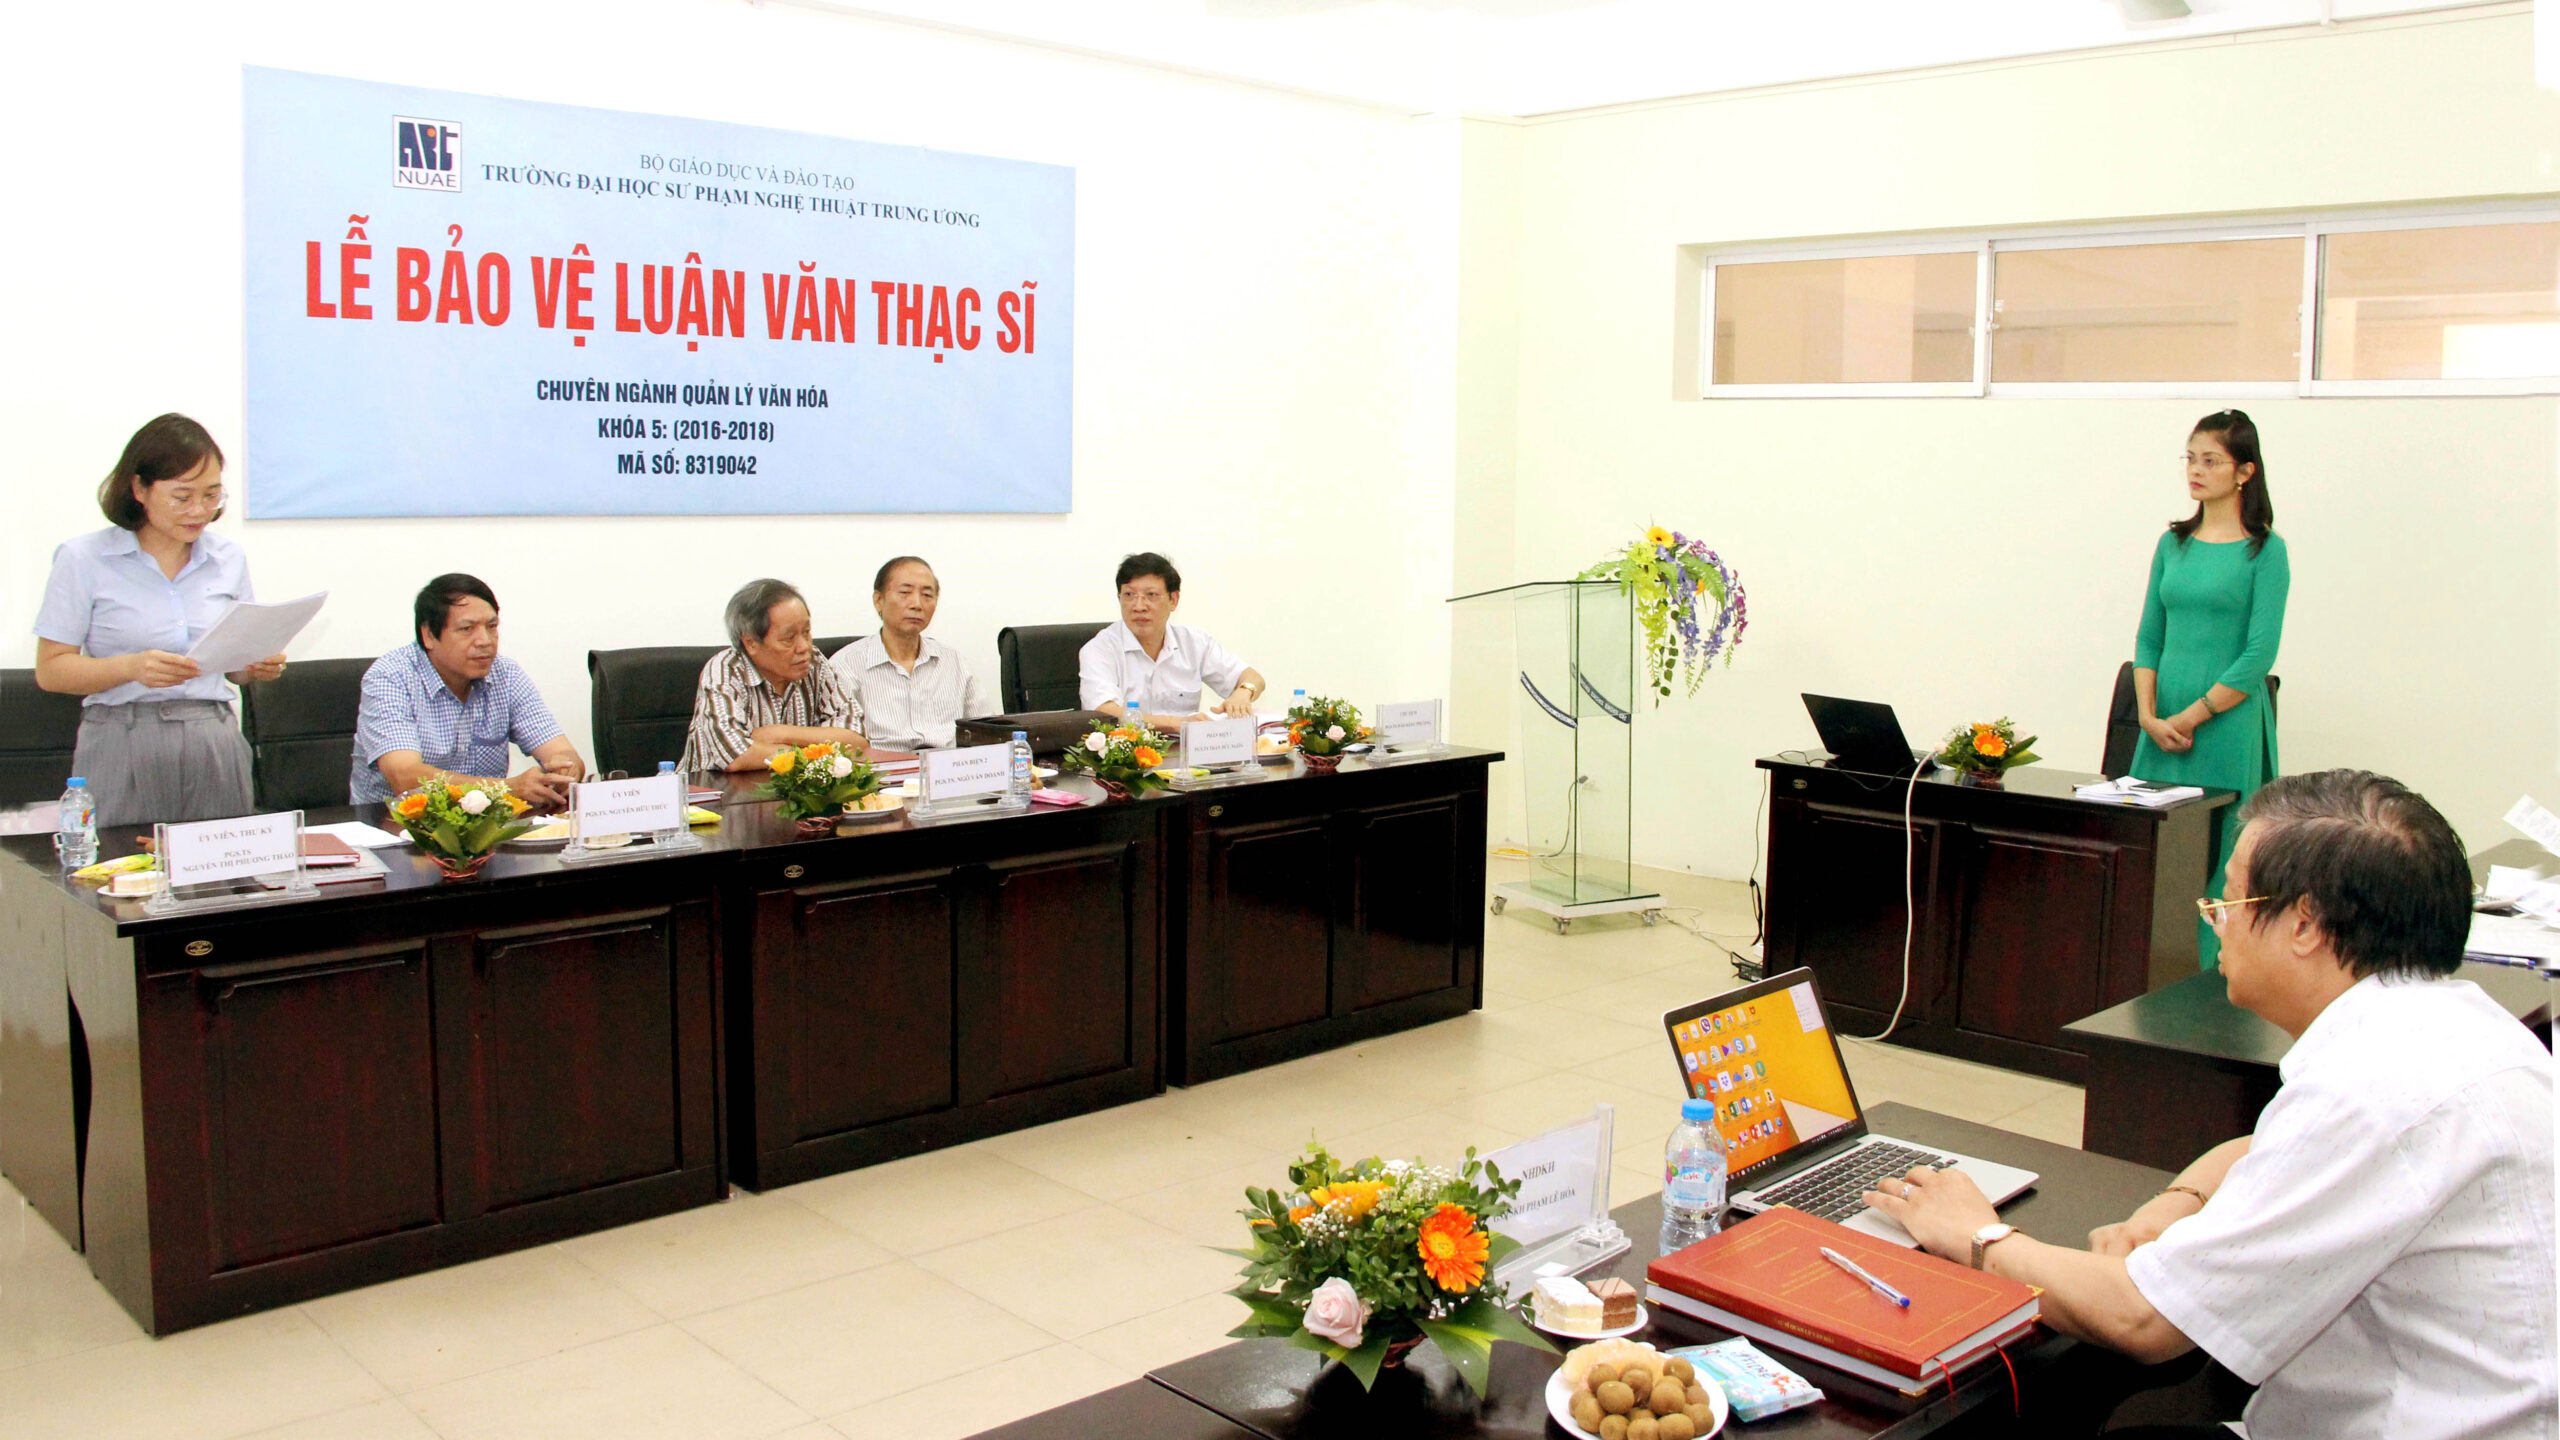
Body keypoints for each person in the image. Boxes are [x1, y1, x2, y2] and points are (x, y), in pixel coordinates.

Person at [1862, 770, 2555, 1440]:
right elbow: (2266, 1149)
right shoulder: (2458, 1029)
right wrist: (2179, 1201)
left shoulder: (2367, 1092)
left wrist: (1979, 1236)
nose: (2217, 923)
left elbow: (2143, 1321)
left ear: (2305, 926)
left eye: (2230, 902)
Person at [33, 415, 286, 827]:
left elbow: (234, 668)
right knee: (122, 863)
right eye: (181, 497)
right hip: (122, 738)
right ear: (139, 489)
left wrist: (254, 665)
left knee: (222, 863)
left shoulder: (228, 558)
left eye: (212, 495)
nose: (199, 511)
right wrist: (131, 668)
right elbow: (51, 670)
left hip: (212, 738)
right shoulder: (84, 559)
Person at [2129, 409, 2290, 967]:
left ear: (2245, 472)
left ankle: (2211, 976)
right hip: (2160, 723)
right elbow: (2148, 639)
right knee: (2155, 852)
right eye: (2191, 458)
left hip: (2226, 724)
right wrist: (2147, 716)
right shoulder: (2172, 544)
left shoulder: (2265, 551)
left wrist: (2192, 716)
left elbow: (2257, 657)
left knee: (2224, 855)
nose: (2196, 470)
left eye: (2211, 461)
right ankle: (2145, 973)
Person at [350, 574, 584, 808]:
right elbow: (405, 777)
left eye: (492, 627)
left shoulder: (506, 674)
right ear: (428, 635)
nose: (485, 640)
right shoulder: (390, 677)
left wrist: (565, 770)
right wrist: (507, 788)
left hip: (487, 823)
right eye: (466, 629)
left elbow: (561, 750)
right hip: (394, 822)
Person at [680, 577, 869, 773]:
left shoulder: (815, 663)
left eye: (806, 632)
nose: (804, 646)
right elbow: (735, 756)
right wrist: (817, 753)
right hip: (713, 790)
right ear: (751, 643)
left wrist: (782, 733)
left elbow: (856, 740)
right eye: (788, 638)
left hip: (788, 789)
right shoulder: (725, 671)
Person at [1076, 552, 1268, 732]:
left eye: (1151, 595)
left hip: (1188, 752)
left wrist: (1243, 693)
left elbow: (1254, 678)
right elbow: (1102, 711)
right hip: (1130, 753)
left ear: (1173, 600)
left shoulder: (1194, 643)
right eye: (1129, 595)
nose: (1139, 606)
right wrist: (1175, 723)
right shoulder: (1099, 649)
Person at [832, 557, 992, 750]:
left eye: (927, 595)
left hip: (945, 766)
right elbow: (840, 746)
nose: (917, 604)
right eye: (905, 593)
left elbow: (986, 733)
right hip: (883, 767)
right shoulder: (846, 665)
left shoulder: (954, 661)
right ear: (878, 600)